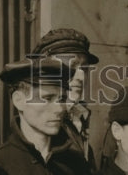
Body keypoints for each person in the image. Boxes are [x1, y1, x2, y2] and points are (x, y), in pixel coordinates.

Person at [30, 27, 101, 162]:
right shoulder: (38, 123)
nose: (81, 76)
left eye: (84, 68)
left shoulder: (78, 117)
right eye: (72, 66)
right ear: (47, 69)